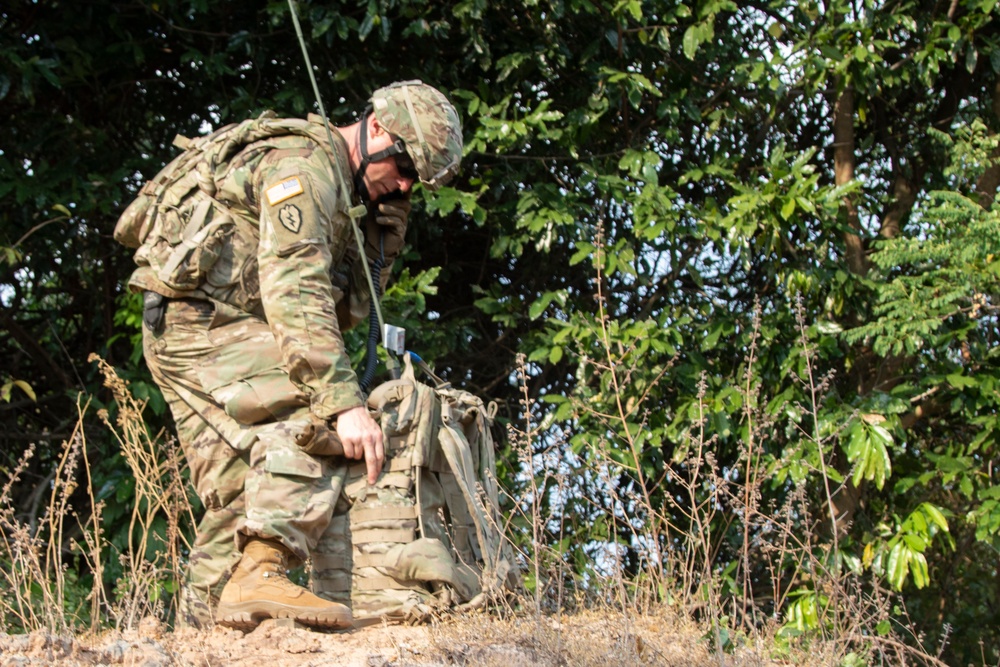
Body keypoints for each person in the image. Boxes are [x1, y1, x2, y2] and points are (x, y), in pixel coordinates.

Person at [121, 80, 463, 630]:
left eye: (415, 179)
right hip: (201, 320)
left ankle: (202, 633)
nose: (404, 183)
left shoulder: (355, 195)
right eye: (403, 165)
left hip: (204, 324)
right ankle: (261, 573)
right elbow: (296, 289)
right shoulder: (302, 167)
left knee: (241, 493)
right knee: (317, 420)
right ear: (376, 128)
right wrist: (341, 401)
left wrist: (382, 239)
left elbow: (347, 310)